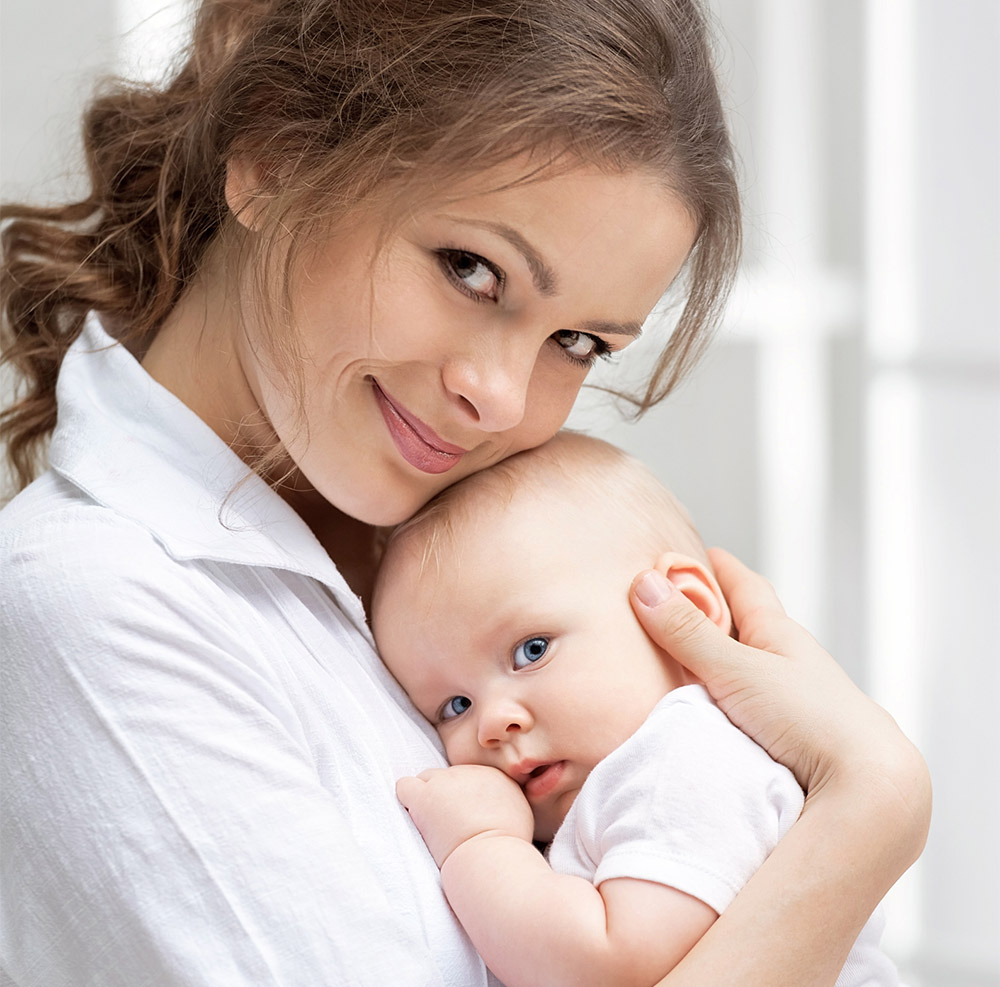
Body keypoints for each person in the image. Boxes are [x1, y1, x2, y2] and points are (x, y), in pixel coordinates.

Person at [0, 1, 929, 984]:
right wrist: (867, 815)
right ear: (274, 158)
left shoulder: (490, 545)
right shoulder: (92, 605)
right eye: (472, 271)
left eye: (576, 343)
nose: (497, 400)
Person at [373, 430, 904, 987]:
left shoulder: (683, 759)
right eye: (454, 705)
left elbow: (609, 968)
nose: (491, 723)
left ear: (687, 611)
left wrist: (480, 845)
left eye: (531, 650)